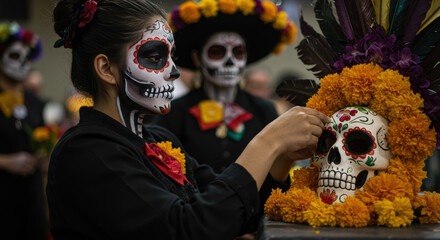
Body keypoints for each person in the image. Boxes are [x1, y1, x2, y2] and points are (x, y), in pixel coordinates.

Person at [47, 0, 329, 239]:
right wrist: (269, 141)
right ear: (106, 69)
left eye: (171, 56)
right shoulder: (86, 151)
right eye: (155, 56)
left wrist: (282, 158)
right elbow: (188, 228)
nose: (173, 71)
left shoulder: (160, 141)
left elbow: (229, 212)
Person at [156, 0, 297, 173]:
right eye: (217, 52)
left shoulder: (264, 112)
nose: (230, 62)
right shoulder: (175, 114)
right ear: (197, 58)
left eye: (238, 52)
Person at [0, 21, 47, 239]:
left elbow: (41, 139)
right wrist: (6, 162)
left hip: (31, 197)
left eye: (27, 58)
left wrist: (45, 156)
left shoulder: (35, 102)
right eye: (15, 56)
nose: (22, 64)